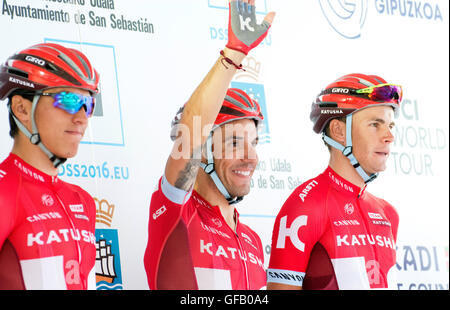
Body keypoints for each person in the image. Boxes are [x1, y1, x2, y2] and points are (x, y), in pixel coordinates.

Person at [143, 0, 275, 290]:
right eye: (235, 142)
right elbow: (190, 134)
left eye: (253, 142)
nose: (250, 157)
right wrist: (233, 55)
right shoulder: (177, 216)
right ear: (202, 151)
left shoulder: (252, 239)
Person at [267, 73, 402, 290]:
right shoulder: (306, 205)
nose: (389, 136)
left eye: (390, 126)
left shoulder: (388, 214)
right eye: (375, 124)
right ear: (339, 131)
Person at [0, 43, 100, 289]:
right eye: (67, 101)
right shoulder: (4, 191)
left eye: (88, 105)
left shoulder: (82, 200)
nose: (82, 118)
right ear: (21, 109)